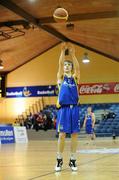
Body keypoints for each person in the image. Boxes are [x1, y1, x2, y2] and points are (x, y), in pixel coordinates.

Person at [55, 42, 80, 172]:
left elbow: (78, 68)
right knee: (62, 135)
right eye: (65, 64)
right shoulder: (60, 77)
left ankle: (73, 160)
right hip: (63, 109)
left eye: (68, 65)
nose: (66, 66)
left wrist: (73, 55)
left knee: (74, 135)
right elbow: (59, 64)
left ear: (71, 67)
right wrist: (62, 52)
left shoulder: (75, 78)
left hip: (74, 108)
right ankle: (59, 160)